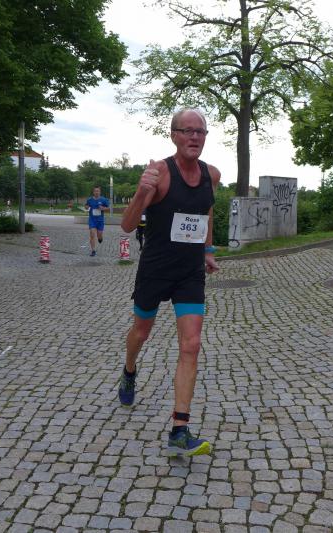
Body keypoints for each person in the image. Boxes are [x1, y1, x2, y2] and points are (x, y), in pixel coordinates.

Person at [117, 108, 221, 457]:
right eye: (187, 131)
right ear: (174, 135)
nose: (194, 137)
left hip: (189, 273)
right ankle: (129, 369)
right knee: (141, 333)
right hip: (156, 269)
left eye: (200, 131)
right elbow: (127, 226)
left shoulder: (212, 175)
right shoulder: (159, 173)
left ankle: (179, 429)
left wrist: (208, 249)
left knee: (191, 345)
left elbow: (206, 211)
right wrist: (141, 192)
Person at [85, 187, 110, 256]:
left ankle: (100, 238)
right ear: (93, 192)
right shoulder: (90, 200)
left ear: (100, 192)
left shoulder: (103, 199)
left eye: (98, 191)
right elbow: (86, 206)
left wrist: (103, 208)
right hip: (92, 220)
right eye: (95, 191)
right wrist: (86, 207)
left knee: (99, 235)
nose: (96, 192)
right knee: (92, 234)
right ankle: (93, 250)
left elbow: (108, 208)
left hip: (100, 220)